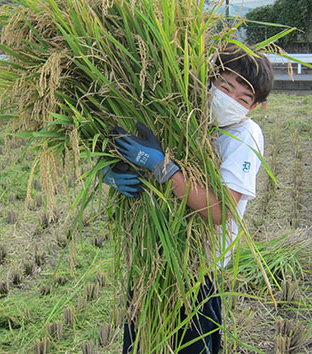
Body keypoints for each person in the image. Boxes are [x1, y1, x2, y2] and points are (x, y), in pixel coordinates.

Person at [103, 43, 274, 353]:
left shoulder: (244, 136)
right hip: (149, 256)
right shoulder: (186, 117)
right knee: (139, 345)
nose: (230, 101)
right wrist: (109, 173)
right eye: (225, 87)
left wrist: (163, 168)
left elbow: (221, 211)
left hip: (196, 269)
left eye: (243, 98)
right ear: (209, 79)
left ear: (255, 106)